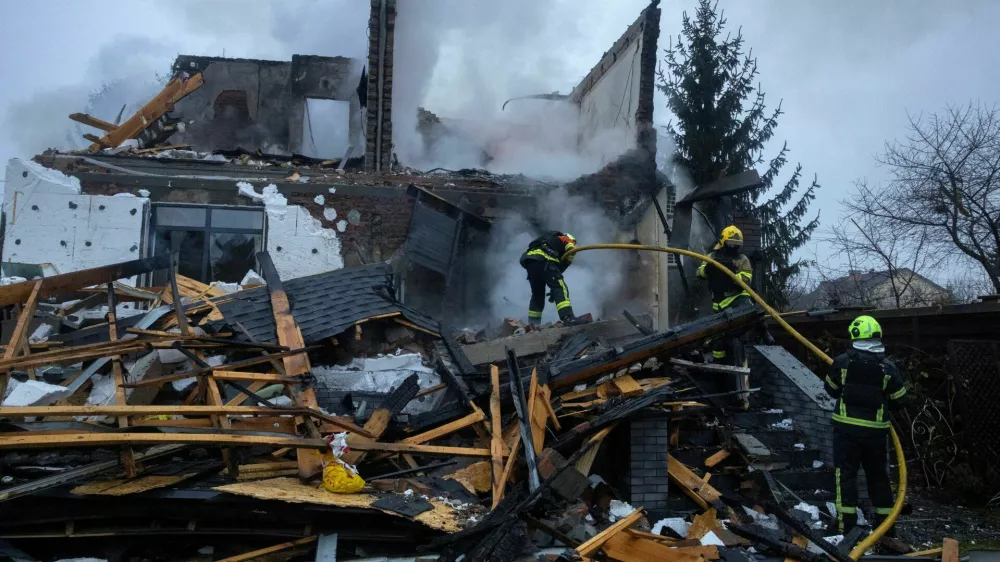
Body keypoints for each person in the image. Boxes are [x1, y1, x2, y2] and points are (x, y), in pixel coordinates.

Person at [823, 315, 909, 535]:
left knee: (846, 477)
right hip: (875, 434)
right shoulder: (887, 367)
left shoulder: (843, 361)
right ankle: (886, 529)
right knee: (878, 478)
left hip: (846, 431)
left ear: (854, 335)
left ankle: (846, 527)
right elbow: (901, 400)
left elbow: (830, 389)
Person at [696, 225, 753, 365]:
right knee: (718, 337)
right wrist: (709, 268)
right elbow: (699, 273)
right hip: (719, 302)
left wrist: (733, 278)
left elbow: (747, 278)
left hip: (738, 298)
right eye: (731, 243)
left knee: (750, 314)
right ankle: (718, 362)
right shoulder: (712, 257)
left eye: (737, 244)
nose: (734, 247)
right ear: (723, 241)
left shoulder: (742, 259)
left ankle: (759, 333)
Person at [519, 231, 586, 326]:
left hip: (531, 263)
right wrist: (570, 256)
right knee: (560, 287)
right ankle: (568, 318)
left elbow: (556, 269)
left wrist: (553, 286)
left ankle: (533, 324)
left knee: (537, 295)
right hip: (544, 259)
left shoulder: (547, 241)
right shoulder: (564, 238)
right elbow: (571, 250)